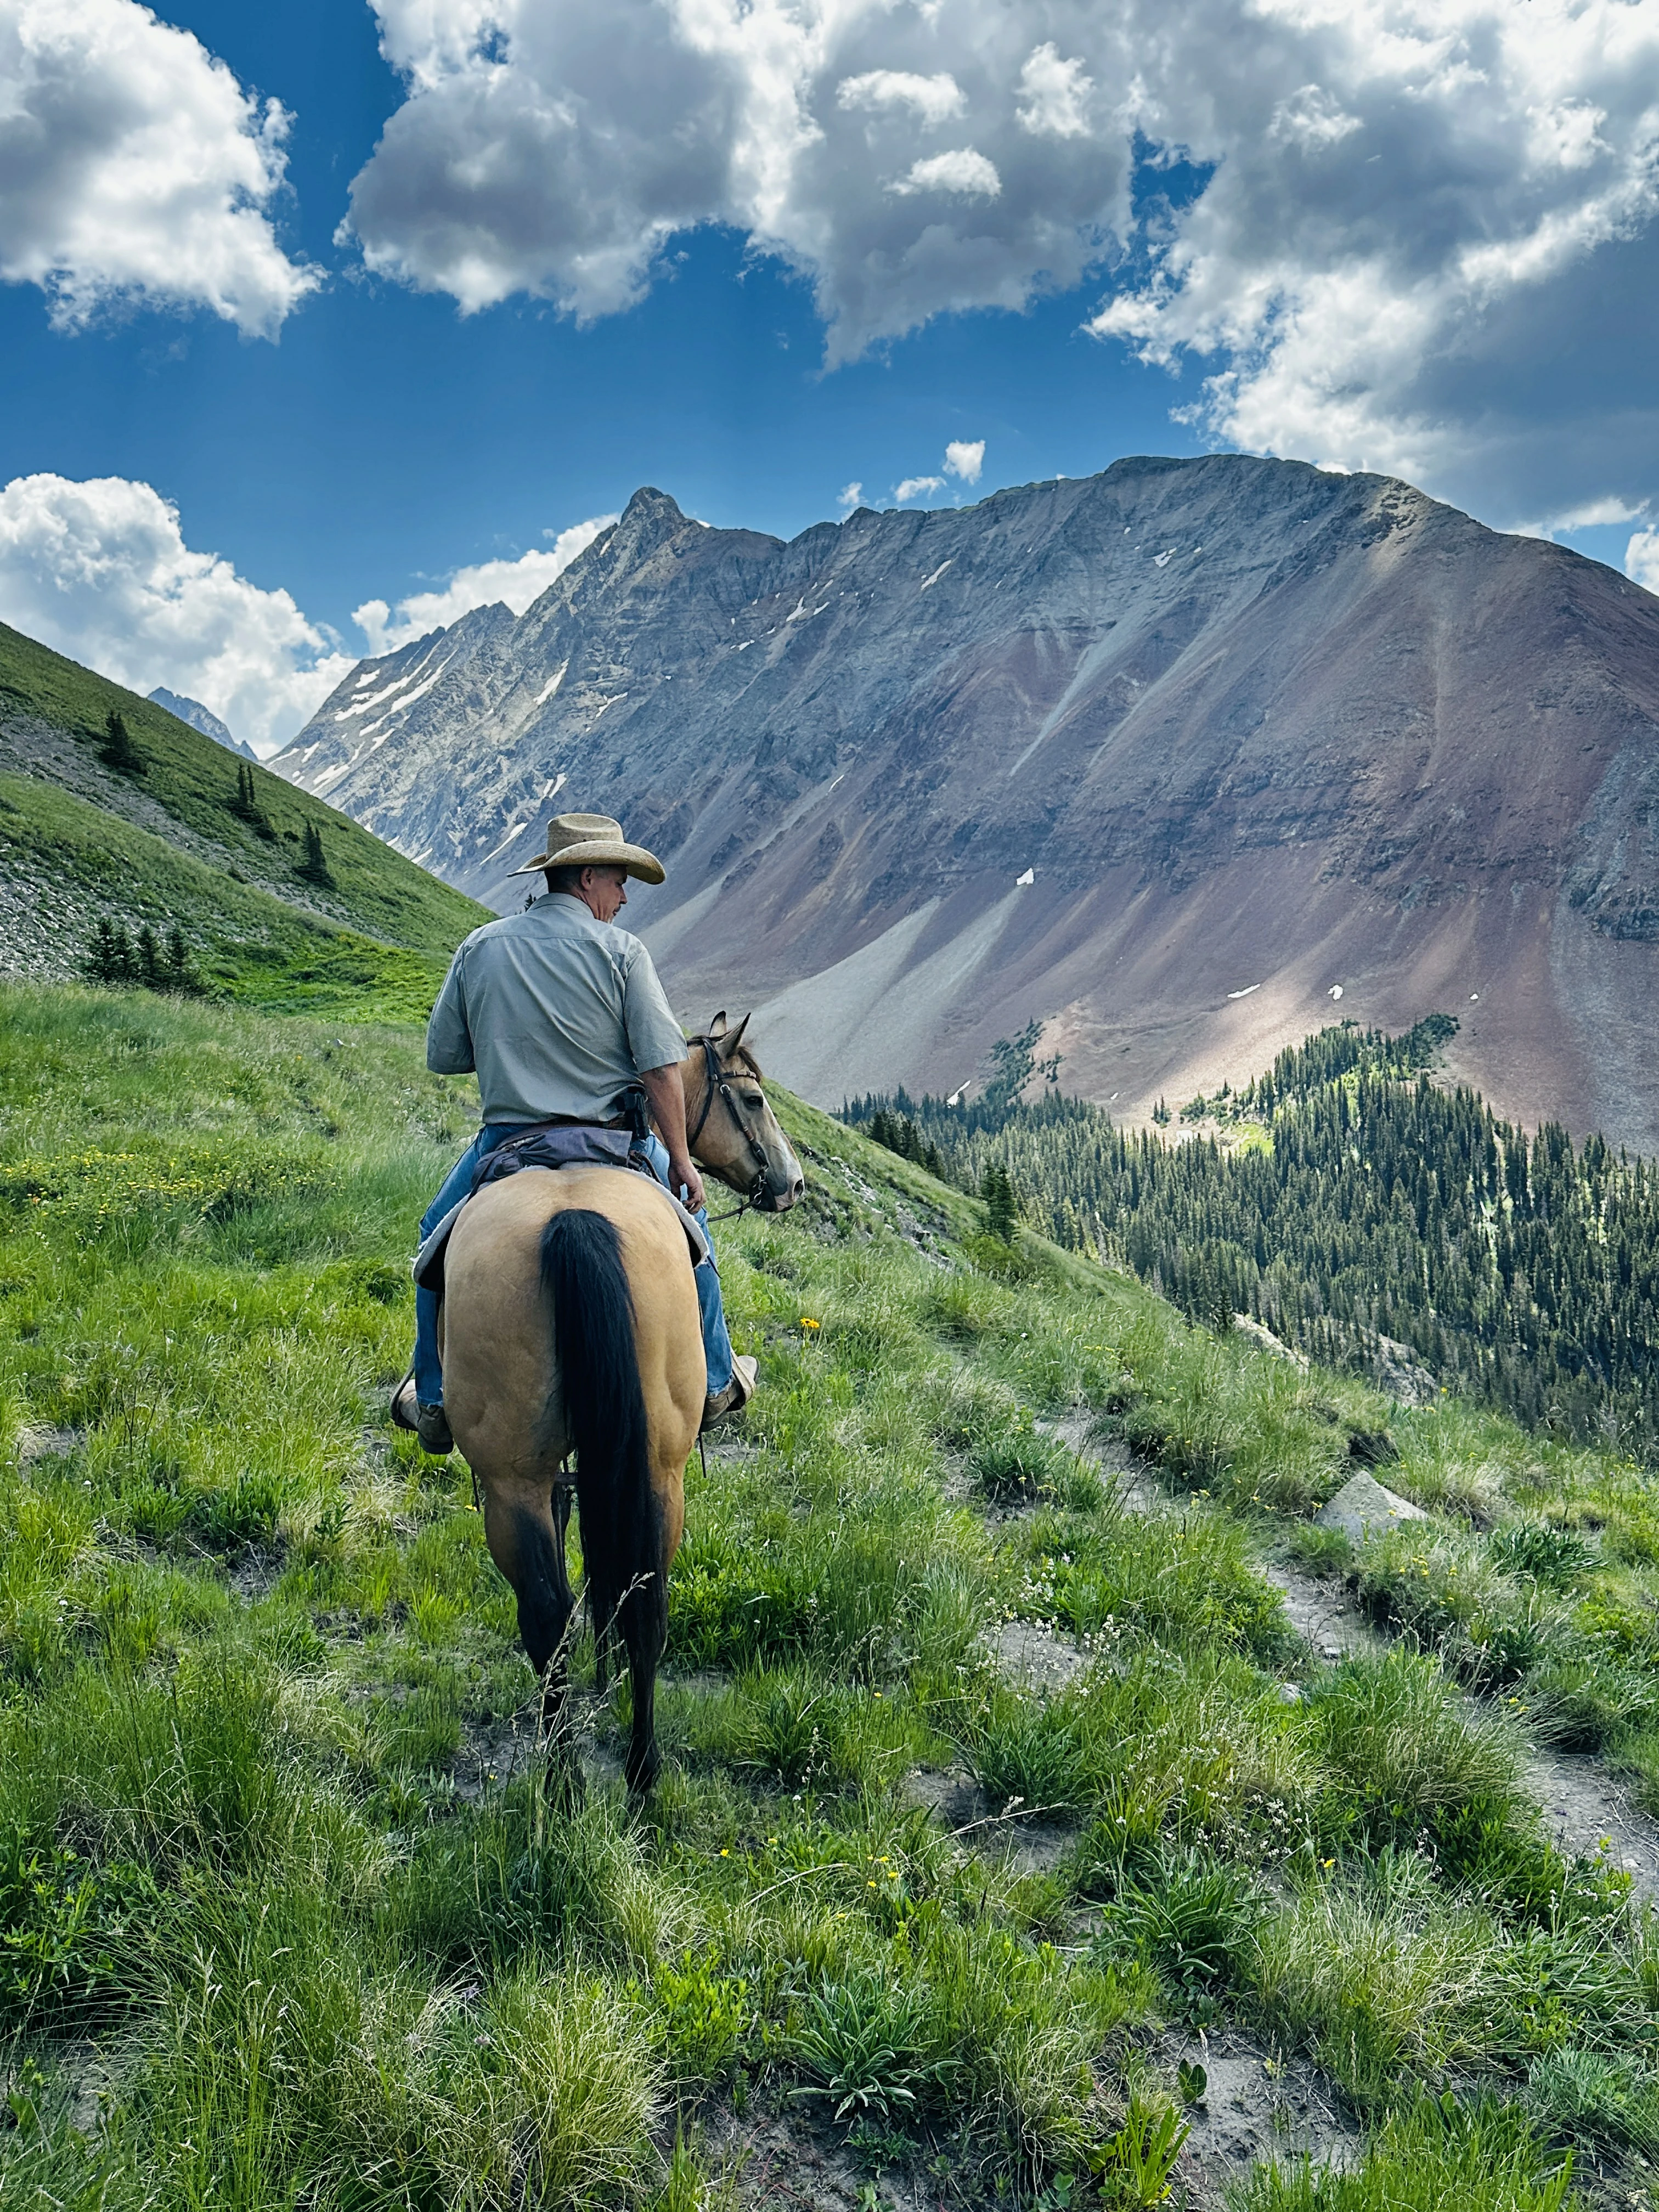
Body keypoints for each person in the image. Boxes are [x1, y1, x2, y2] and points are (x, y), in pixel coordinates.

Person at [391, 811, 755, 1455]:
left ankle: (434, 1396)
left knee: (432, 1244)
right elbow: (661, 1068)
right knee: (694, 1242)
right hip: (612, 1145)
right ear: (588, 878)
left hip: (508, 1146)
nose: (621, 899)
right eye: (619, 883)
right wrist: (680, 1158)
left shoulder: (481, 946)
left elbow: (444, 1056)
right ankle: (718, 1381)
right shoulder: (623, 953)